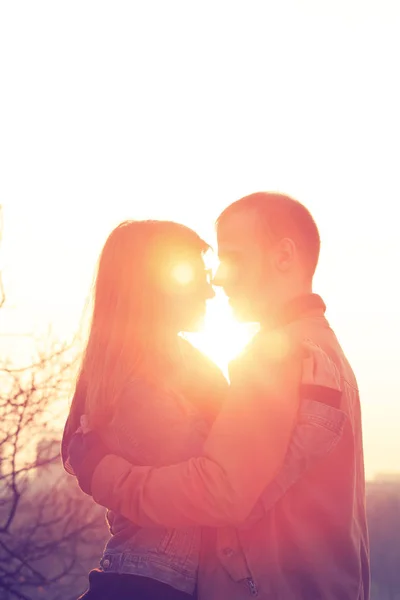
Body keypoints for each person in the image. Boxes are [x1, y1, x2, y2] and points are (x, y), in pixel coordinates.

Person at [69, 193, 370, 599]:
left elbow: (221, 492)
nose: (218, 281)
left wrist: (102, 472)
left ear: (283, 257)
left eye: (233, 258)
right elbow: (226, 489)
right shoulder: (327, 354)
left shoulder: (276, 356)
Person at [61, 219, 230, 599]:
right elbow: (220, 485)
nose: (209, 291)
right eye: (192, 275)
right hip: (147, 584)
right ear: (150, 287)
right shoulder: (141, 389)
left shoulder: (184, 367)